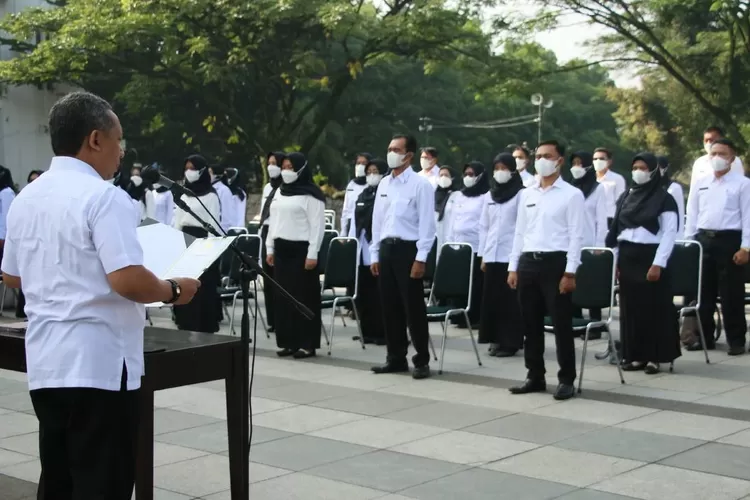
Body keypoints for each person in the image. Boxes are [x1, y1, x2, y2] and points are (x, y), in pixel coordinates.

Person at [0, 91, 199, 500]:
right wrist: (174, 289)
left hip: (47, 364)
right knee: (101, 483)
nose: (121, 151)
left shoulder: (26, 197)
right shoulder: (105, 198)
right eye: (118, 139)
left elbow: (11, 276)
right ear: (94, 140)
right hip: (100, 369)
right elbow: (127, 279)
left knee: (58, 480)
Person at [507, 140, 584, 401]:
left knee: (561, 325)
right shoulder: (526, 193)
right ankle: (535, 375)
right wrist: (513, 267)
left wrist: (570, 272)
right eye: (538, 156)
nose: (542, 160)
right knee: (530, 323)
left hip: (556, 264)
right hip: (528, 262)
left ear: (559, 160)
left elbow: (576, 236)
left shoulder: (571, 194)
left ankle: (566, 379)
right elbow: (519, 232)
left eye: (547, 156)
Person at [607, 153, 680, 374]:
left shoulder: (664, 198)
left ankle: (654, 357)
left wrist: (658, 263)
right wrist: (616, 261)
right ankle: (635, 355)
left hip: (651, 257)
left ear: (653, 171)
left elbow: (669, 233)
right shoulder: (626, 197)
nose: (638, 172)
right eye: (635, 167)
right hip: (628, 257)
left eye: (643, 167)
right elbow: (617, 231)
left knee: (653, 309)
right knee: (631, 309)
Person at [370, 134, 436, 379]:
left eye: (396, 149)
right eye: (389, 148)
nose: (391, 153)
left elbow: (427, 226)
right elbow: (377, 221)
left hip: (408, 250)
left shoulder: (420, 185)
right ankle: (395, 357)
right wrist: (375, 253)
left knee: (413, 308)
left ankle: (421, 360)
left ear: (409, 155)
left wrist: (421, 258)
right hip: (387, 249)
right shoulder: (385, 184)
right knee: (390, 307)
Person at [685, 138, 750, 355]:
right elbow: (692, 213)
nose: (717, 158)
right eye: (713, 154)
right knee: (704, 294)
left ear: (732, 159)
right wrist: (689, 242)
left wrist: (745, 248)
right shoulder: (701, 181)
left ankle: (736, 340)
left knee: (731, 293)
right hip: (704, 240)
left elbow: (748, 216)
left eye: (722, 154)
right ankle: (704, 337)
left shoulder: (742, 184)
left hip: (730, 240)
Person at [266, 152, 325, 358]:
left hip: (301, 251)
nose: (286, 171)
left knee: (304, 296)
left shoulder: (311, 195)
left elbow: (317, 226)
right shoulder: (279, 191)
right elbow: (273, 221)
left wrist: (312, 253)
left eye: (291, 167)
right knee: (283, 297)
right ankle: (288, 341)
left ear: (300, 169)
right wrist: (269, 248)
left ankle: (306, 343)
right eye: (284, 167)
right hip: (281, 248)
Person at [478, 152, 524, 357]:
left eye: (504, 168)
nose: (500, 173)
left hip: (510, 255)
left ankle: (510, 341)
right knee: (492, 298)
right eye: (496, 169)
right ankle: (494, 338)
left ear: (513, 170)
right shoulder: (490, 195)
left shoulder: (521, 194)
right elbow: (484, 227)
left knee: (509, 300)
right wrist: (483, 255)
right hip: (492, 255)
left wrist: (518, 257)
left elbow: (522, 228)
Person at [172, 154, 223, 334]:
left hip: (203, 241)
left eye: (193, 169)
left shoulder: (210, 195)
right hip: (185, 239)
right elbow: (178, 220)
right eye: (187, 168)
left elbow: (213, 223)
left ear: (202, 171)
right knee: (183, 283)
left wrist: (207, 252)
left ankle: (203, 325)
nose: (189, 172)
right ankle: (184, 322)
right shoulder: (183, 193)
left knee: (201, 287)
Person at [444, 161, 489, 326]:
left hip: (475, 246)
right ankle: (459, 315)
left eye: (472, 174)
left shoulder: (485, 196)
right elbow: (452, 220)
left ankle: (475, 316)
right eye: (466, 174)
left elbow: (485, 223)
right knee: (460, 282)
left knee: (475, 284)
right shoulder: (458, 195)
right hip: (458, 244)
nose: (468, 178)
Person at [349, 158, 388, 344]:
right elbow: (354, 219)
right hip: (362, 246)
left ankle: (382, 332)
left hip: (378, 247)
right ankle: (367, 331)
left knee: (379, 293)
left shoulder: (385, 194)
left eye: (375, 171)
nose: (372, 175)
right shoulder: (363, 194)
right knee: (364, 292)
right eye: (369, 171)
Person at [570, 151, 607, 327]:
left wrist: (599, 245)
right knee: (573, 284)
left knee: (591, 284)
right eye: (574, 163)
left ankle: (595, 324)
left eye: (580, 163)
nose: (576, 167)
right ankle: (577, 322)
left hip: (589, 244)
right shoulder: (569, 188)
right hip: (571, 244)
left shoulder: (598, 189)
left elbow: (601, 220)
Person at [258, 152, 285, 333]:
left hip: (279, 231)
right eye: (270, 163)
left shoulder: (287, 187)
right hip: (266, 231)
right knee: (268, 279)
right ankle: (272, 320)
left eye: (275, 163)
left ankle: (282, 318)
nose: (271, 167)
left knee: (279, 280)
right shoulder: (268, 187)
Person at [15, 171, 43, 319]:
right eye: (30, 181)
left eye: (37, 180)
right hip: (28, 249)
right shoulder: (22, 202)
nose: (33, 184)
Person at [593, 147, 627, 228]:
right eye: (595, 159)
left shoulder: (617, 179)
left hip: (609, 220)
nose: (598, 161)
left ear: (609, 161)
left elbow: (620, 203)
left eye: (601, 159)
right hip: (591, 220)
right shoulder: (588, 178)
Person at [341, 153, 371, 235]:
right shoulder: (351, 185)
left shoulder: (372, 185)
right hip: (351, 225)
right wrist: (343, 232)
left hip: (366, 226)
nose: (360, 166)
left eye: (364, 163)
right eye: (358, 163)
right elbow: (345, 210)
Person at [657, 156, 685, 235]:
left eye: (658, 167)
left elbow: (679, 214)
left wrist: (678, 238)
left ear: (665, 168)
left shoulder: (674, 188)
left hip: (669, 236)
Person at [434, 165, 457, 254]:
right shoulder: (434, 196)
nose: (443, 177)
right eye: (441, 175)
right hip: (435, 239)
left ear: (452, 178)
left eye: (446, 175)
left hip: (451, 239)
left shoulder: (457, 195)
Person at [209, 164, 232, 232]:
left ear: (216, 175)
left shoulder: (224, 190)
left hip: (220, 231)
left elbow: (226, 215)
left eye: (210, 172)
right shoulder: (208, 189)